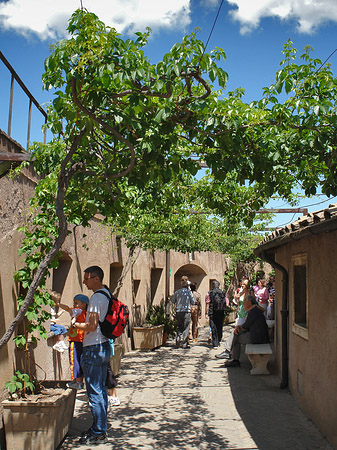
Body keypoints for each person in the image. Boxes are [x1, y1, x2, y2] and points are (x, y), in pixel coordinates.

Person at [71, 266, 110, 445]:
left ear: (96, 278)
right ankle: (99, 427)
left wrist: (75, 325)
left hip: (93, 347)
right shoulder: (107, 294)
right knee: (100, 390)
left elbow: (92, 326)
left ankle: (99, 432)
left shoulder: (96, 297)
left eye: (86, 278)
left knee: (94, 392)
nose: (84, 282)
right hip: (102, 346)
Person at [216, 295, 270, 367]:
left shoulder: (253, 311)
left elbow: (246, 326)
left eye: (245, 302)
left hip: (258, 338)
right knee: (236, 333)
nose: (243, 304)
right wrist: (239, 327)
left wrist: (240, 328)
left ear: (249, 303)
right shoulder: (254, 310)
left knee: (236, 337)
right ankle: (230, 354)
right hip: (259, 336)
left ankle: (231, 355)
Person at [52, 292, 89, 390]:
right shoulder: (88, 314)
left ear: (83, 304)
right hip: (83, 340)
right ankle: (79, 381)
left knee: (74, 360)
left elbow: (68, 308)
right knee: (80, 361)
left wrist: (59, 304)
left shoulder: (78, 311)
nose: (74, 305)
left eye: (76, 303)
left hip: (75, 340)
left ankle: (78, 382)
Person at [171, 276, 195, 349]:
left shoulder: (177, 292)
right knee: (186, 327)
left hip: (178, 311)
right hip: (186, 311)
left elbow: (173, 301)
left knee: (179, 326)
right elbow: (193, 301)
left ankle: (178, 338)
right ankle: (184, 343)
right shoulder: (189, 292)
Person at [205, 280, 227, 348]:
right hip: (221, 311)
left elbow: (207, 303)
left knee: (213, 326)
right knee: (219, 326)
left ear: (212, 286)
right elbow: (227, 302)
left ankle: (215, 342)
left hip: (212, 312)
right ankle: (219, 340)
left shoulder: (209, 293)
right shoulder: (223, 293)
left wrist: (206, 312)